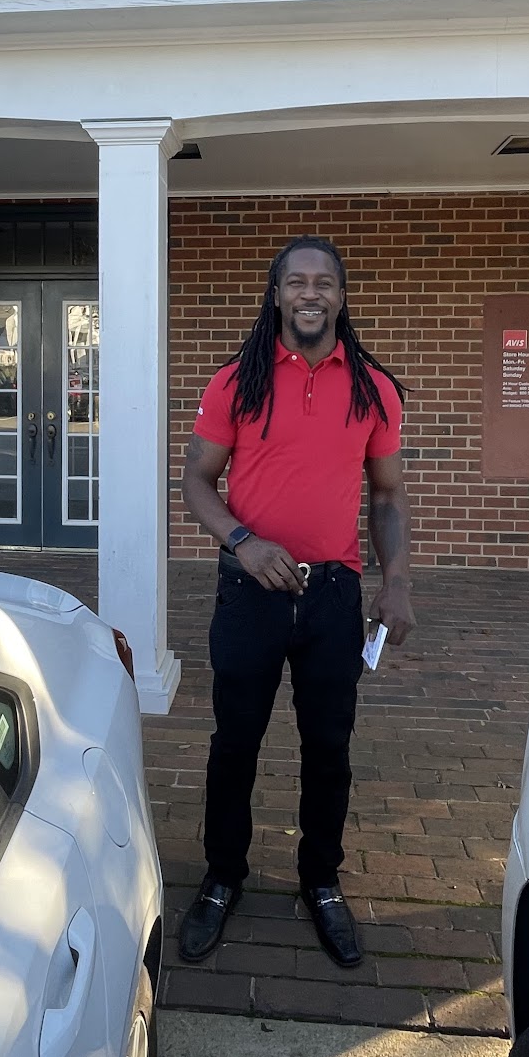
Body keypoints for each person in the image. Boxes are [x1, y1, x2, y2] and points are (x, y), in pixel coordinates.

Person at [177, 234, 415, 969]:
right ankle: (223, 875)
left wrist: (397, 580)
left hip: (334, 595)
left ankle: (321, 880)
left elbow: (387, 497)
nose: (311, 293)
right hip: (250, 590)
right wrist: (244, 542)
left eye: (325, 283)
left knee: (329, 748)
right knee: (235, 743)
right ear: (276, 294)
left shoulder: (373, 389)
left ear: (341, 298)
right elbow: (195, 483)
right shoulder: (236, 382)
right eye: (297, 282)